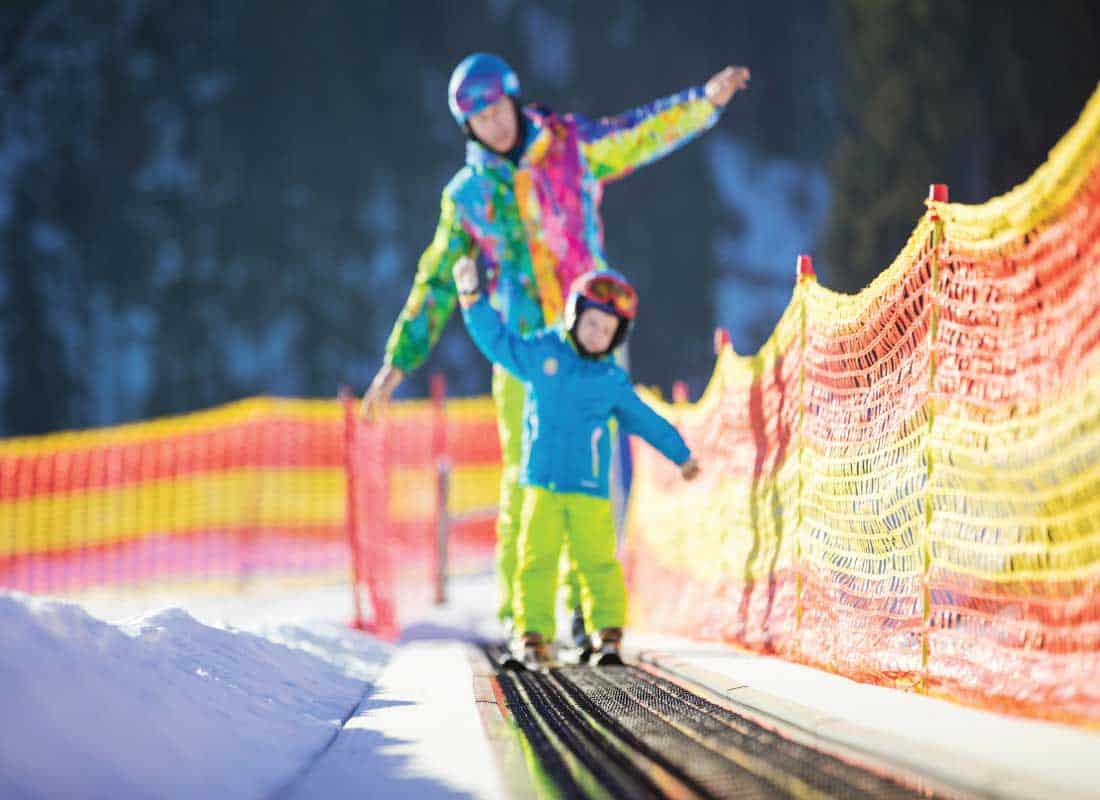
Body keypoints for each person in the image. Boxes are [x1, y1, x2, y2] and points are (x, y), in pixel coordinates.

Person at [360, 52, 747, 643]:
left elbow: (636, 135)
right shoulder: (468, 196)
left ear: (512, 101)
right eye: (479, 120)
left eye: (496, 111)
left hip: (592, 337)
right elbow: (437, 279)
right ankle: (525, 614)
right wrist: (398, 362)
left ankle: (585, 608)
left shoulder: (568, 147)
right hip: (523, 348)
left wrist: (703, 104)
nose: (493, 125)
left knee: (591, 473)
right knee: (528, 475)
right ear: (468, 129)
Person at [453, 258, 701, 666]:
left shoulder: (609, 381)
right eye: (591, 323)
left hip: (588, 491)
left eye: (607, 331)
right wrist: (471, 297)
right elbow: (498, 342)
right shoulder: (542, 353)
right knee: (536, 560)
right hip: (542, 486)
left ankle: (608, 633)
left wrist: (681, 454)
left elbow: (646, 420)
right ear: (573, 316)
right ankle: (532, 634)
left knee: (598, 562)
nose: (597, 334)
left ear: (616, 338)